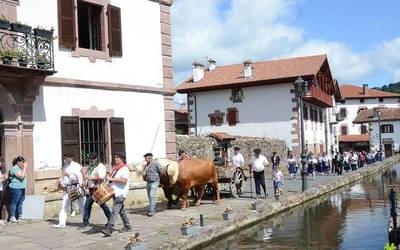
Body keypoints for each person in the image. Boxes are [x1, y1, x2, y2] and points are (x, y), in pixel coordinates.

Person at [79, 152, 111, 229]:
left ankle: (110, 220)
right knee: (87, 206)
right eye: (90, 159)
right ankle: (85, 222)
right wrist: (86, 184)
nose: (91, 160)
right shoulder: (91, 166)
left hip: (97, 189)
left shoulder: (101, 167)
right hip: (90, 189)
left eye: (93, 159)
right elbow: (87, 176)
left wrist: (89, 178)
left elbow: (101, 177)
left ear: (97, 158)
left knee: (103, 205)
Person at [102, 152, 132, 236]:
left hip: (121, 193)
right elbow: (112, 179)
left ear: (122, 159)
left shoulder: (125, 169)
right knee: (121, 211)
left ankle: (109, 228)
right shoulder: (116, 168)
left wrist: (111, 178)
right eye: (115, 157)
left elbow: (124, 180)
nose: (116, 159)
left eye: (118, 158)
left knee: (114, 211)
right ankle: (127, 226)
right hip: (115, 192)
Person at [54, 154, 85, 228]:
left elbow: (77, 177)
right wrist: (60, 183)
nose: (67, 158)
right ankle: (62, 223)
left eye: (69, 157)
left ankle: (85, 221)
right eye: (66, 157)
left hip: (75, 186)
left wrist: (68, 175)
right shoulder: (65, 165)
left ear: (72, 157)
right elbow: (63, 177)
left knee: (81, 205)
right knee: (64, 205)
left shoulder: (76, 165)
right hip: (67, 188)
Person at [8, 156, 28, 223]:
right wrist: (24, 168)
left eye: (24, 162)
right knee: (14, 202)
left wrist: (23, 168)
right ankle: (12, 217)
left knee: (20, 202)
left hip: (21, 187)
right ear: (18, 162)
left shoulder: (20, 168)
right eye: (22, 162)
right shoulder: (14, 168)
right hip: (15, 188)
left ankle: (20, 216)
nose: (23, 163)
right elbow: (21, 177)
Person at [143, 153, 162, 217]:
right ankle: (151, 209)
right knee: (149, 196)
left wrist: (160, 180)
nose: (145, 160)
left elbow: (161, 171)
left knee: (152, 195)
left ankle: (152, 211)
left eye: (145, 158)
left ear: (149, 158)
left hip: (155, 181)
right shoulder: (146, 165)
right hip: (148, 182)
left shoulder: (156, 163)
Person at [0, 156, 6, 220]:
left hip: (1, 188)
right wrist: (3, 177)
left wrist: (4, 178)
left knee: (1, 205)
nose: (1, 164)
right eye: (1, 162)